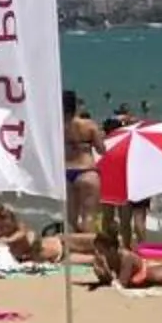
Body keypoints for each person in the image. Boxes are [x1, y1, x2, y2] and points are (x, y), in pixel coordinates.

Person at [63, 94, 102, 236]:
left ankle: (76, 245)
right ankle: (89, 250)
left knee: (72, 218)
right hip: (87, 171)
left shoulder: (59, 126)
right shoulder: (89, 125)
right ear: (76, 106)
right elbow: (101, 149)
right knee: (89, 215)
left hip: (67, 172)